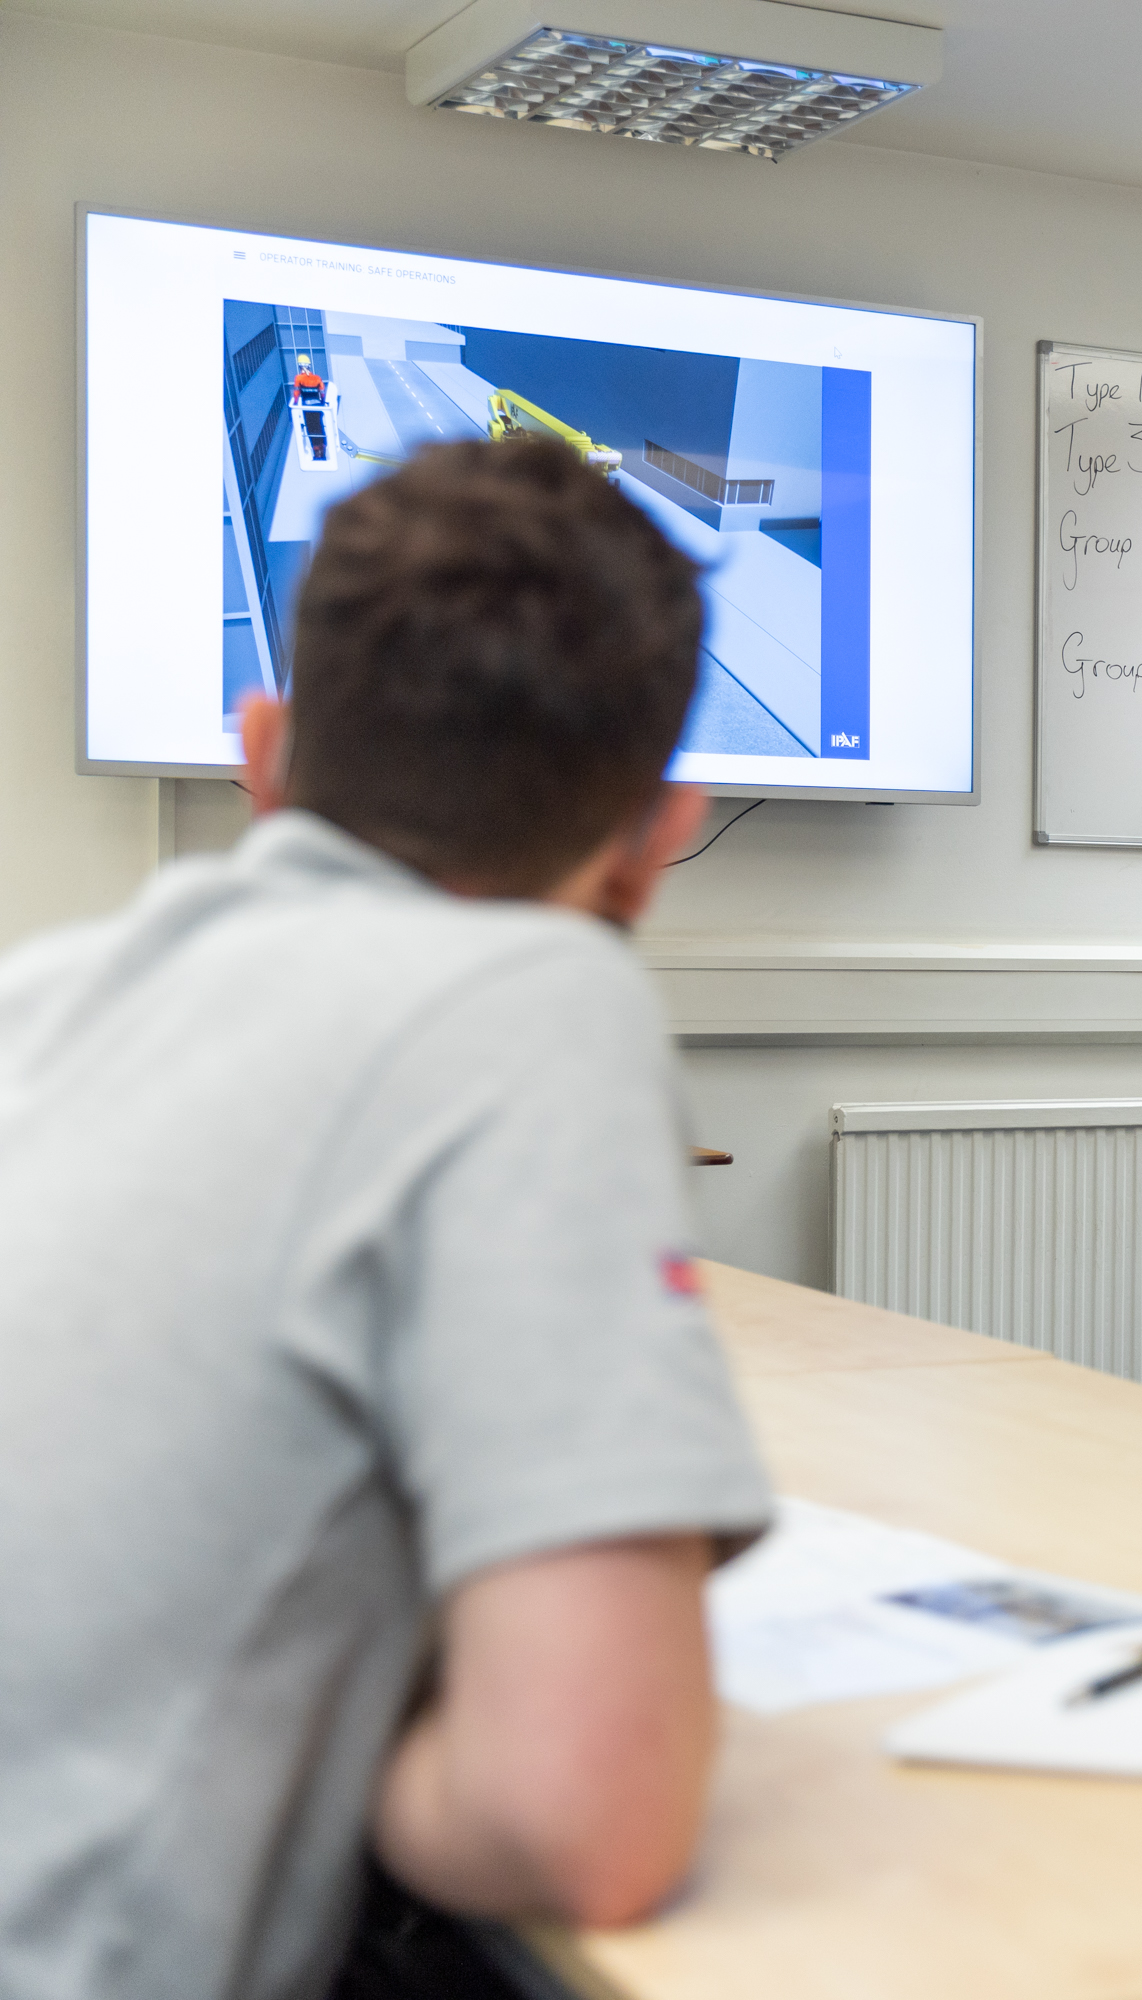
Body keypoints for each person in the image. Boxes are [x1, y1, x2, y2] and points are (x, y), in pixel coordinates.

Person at [0, 438, 773, 2000]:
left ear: (262, 751)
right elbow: (587, 1816)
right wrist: (331, 1756)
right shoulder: (534, 995)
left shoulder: (43, 999)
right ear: (655, 838)